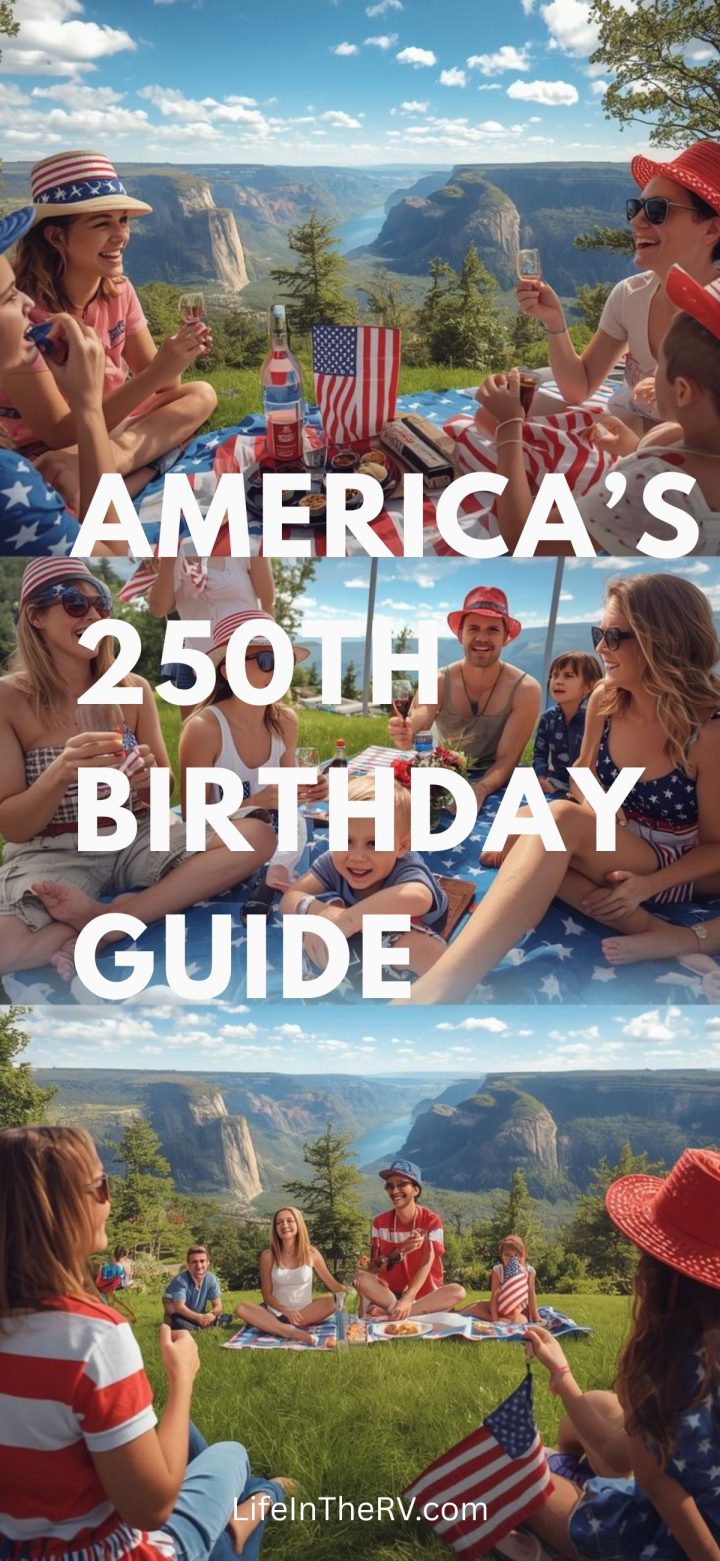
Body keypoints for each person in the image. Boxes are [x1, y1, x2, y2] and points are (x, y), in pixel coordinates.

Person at [407, 572, 720, 1004]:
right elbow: (581, 774)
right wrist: (598, 802)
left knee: (554, 823)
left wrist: (649, 885)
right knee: (515, 834)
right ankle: (654, 930)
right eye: (598, 633)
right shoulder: (607, 698)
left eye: (614, 636)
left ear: (664, 641)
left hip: (679, 857)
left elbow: (714, 848)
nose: (601, 648)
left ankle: (442, 985)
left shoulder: (708, 730)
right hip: (623, 838)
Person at [0, 1125, 291, 1561]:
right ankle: (260, 1501)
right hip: (117, 1550)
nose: (108, 1200)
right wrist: (182, 1378)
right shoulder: (93, 1336)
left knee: (179, 1435)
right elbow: (152, 1508)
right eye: (101, 1186)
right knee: (231, 1454)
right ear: (61, 1209)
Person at [0, 563, 284, 982]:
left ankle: (118, 916)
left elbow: (163, 789)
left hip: (136, 833)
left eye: (101, 604)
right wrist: (59, 773)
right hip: (54, 849)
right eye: (75, 603)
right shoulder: (9, 698)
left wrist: (148, 779)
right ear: (35, 616)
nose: (93, 615)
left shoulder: (133, 689)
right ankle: (133, 908)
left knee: (256, 836)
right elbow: (13, 826)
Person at [515, 1147, 720, 1560]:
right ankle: (572, 1467)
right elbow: (628, 1452)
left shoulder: (665, 1362)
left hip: (673, 1539)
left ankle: (566, 1488)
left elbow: (649, 1478)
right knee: (599, 1403)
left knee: (512, 1474)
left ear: (659, 1271)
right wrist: (563, 1374)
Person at [2, 151, 216, 502]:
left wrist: (175, 356)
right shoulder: (17, 316)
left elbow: (166, 386)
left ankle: (105, 468)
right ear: (56, 238)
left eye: (123, 221)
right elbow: (58, 433)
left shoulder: (119, 291)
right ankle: (137, 468)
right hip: (48, 448)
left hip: (105, 430)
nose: (121, 236)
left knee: (201, 394)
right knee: (56, 476)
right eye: (103, 224)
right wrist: (158, 371)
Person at [478, 266, 720, 555]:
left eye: (660, 365)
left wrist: (509, 424)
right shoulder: (677, 438)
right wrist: (636, 448)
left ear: (683, 391)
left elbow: (525, 537)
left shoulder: (650, 485)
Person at [517, 139, 720, 429]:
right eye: (635, 207)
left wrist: (635, 445)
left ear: (712, 228)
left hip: (664, 453)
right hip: (620, 439)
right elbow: (579, 388)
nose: (636, 221)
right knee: (491, 418)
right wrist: (555, 322)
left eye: (657, 209)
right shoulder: (629, 295)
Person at [0, 205, 129, 555]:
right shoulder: (11, 482)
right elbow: (117, 553)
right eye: (8, 296)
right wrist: (87, 406)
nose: (27, 303)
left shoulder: (119, 291)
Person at [279, 774, 449, 980]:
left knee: (428, 953)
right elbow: (290, 897)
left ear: (402, 846)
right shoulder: (332, 861)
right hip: (358, 933)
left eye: (373, 844)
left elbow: (418, 898)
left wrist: (347, 921)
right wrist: (323, 912)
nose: (357, 856)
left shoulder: (407, 867)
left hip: (407, 929)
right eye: (346, 840)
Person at [388, 587, 541, 816]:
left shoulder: (526, 690)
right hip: (442, 776)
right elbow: (419, 720)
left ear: (505, 638)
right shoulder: (437, 680)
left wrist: (479, 790)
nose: (482, 638)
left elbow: (507, 759)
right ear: (460, 635)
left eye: (492, 630)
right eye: (473, 628)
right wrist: (406, 731)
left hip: (495, 781)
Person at [148, 554, 276, 703]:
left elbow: (268, 603)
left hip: (245, 661)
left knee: (250, 717)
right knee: (197, 719)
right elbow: (159, 609)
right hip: (194, 662)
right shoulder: (173, 558)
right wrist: (169, 559)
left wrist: (271, 657)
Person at [353, 1159, 465, 1320]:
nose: (394, 1190)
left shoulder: (431, 1221)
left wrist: (408, 1298)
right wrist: (401, 1250)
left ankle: (393, 1314)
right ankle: (401, 1311)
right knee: (359, 1277)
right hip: (390, 1296)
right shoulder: (379, 1223)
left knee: (458, 1291)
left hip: (425, 1296)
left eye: (401, 1184)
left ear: (416, 1190)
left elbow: (428, 1261)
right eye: (390, 1186)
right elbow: (374, 1268)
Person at [234, 1207, 346, 1347]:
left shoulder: (312, 1253)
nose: (284, 1225)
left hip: (305, 1314)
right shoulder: (268, 1256)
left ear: (298, 1224)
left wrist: (355, 1286)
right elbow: (267, 1295)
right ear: (275, 1228)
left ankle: (277, 1328)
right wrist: (286, 1310)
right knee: (242, 1308)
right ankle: (292, 1332)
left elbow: (334, 1286)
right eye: (279, 1222)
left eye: (289, 1221)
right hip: (276, 1314)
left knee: (332, 1302)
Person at [533, 654, 603, 796]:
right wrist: (541, 778)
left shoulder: (597, 719)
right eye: (554, 676)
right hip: (556, 781)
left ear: (589, 686)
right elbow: (540, 753)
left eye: (568, 676)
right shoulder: (548, 718)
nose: (558, 681)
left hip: (590, 784)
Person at [460, 1234, 541, 1325]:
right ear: (502, 1256)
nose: (510, 1259)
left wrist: (536, 1316)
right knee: (476, 1307)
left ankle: (502, 1320)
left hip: (519, 1308)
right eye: (507, 1255)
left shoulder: (529, 1271)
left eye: (515, 1255)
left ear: (522, 1256)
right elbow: (494, 1296)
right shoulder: (498, 1270)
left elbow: (531, 1293)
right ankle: (457, 1313)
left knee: (519, 1320)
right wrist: (495, 1320)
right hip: (501, 1306)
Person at [163, 1245, 226, 1331]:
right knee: (177, 1321)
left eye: (202, 1261)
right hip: (180, 1315)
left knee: (224, 1316)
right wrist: (199, 1318)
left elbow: (218, 1305)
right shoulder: (180, 1280)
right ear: (188, 1264)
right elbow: (179, 1307)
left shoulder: (211, 1278)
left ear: (208, 1262)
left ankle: (201, 1324)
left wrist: (212, 1314)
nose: (199, 1265)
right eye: (194, 1262)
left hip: (197, 1314)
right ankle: (200, 1326)